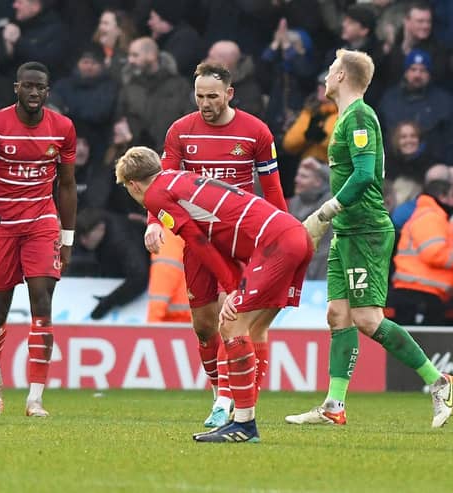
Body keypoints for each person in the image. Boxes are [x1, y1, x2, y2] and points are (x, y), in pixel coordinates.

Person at [285, 49, 453, 428]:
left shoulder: (360, 115)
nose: (326, 77)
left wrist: (324, 212)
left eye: (330, 70)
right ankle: (334, 405)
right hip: (348, 231)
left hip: (366, 229)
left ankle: (439, 381)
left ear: (343, 76)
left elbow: (363, 177)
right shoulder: (347, 117)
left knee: (366, 318)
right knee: (337, 314)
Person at [115, 146, 313, 443]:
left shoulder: (156, 196)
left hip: (274, 243)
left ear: (132, 185)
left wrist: (233, 286)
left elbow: (197, 242)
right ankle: (241, 419)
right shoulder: (179, 178)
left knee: (232, 325)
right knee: (256, 328)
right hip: (294, 235)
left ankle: (244, 426)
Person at [144, 62, 288, 428]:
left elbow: (272, 191)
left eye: (212, 96)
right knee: (204, 326)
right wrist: (152, 223)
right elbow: (162, 186)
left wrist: (282, 239)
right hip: (197, 242)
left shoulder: (256, 132)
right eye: (199, 96)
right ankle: (218, 395)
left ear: (229, 94)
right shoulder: (180, 131)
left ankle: (231, 399)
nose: (205, 103)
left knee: (232, 320)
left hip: (241, 241)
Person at [0, 61, 77, 418]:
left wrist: (67, 238)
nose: (33, 93)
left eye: (39, 87)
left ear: (47, 91)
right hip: (2, 224)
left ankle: (35, 398)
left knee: (41, 303)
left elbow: (68, 186)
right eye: (27, 86)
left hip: (42, 223)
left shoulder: (62, 128)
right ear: (16, 88)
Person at [388, 179, 453, 326]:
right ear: (442, 197)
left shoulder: (429, 216)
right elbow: (433, 253)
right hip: (419, 293)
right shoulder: (431, 217)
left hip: (422, 292)